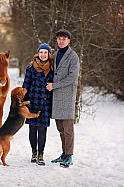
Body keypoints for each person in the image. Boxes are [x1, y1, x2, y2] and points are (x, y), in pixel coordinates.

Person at [46, 29, 80, 167]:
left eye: (64, 39)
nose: (61, 41)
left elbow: (72, 77)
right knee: (60, 129)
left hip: (66, 96)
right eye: (59, 39)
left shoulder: (73, 57)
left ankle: (69, 156)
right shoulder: (54, 55)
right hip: (56, 97)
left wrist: (54, 85)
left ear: (69, 41)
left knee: (68, 129)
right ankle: (64, 154)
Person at [22, 43, 53, 166]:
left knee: (42, 129)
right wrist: (23, 101)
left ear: (48, 54)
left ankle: (41, 154)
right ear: (38, 53)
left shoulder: (52, 67)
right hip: (33, 101)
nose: (43, 55)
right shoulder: (30, 67)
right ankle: (34, 152)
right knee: (33, 128)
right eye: (41, 52)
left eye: (45, 52)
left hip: (45, 102)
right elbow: (26, 84)